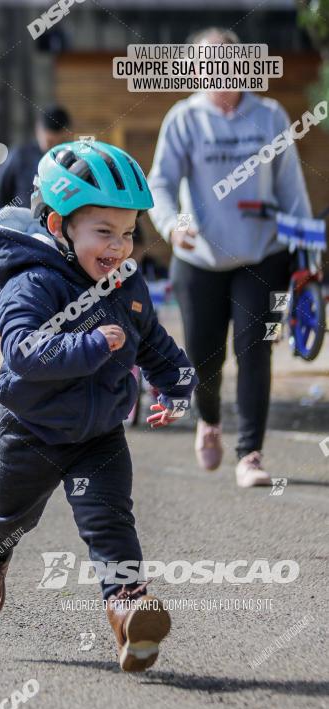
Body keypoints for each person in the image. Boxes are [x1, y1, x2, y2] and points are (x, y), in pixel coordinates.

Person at [0, 140, 198, 673]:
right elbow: (23, 353)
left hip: (99, 436)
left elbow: (155, 343)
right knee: (8, 518)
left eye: (128, 232)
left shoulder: (126, 285)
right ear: (58, 227)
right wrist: (92, 346)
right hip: (32, 431)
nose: (118, 247)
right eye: (103, 232)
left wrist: (179, 384)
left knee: (112, 522)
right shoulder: (31, 284)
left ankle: (129, 613)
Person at [148, 27, 312, 488]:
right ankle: (210, 419)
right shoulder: (184, 119)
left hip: (264, 254)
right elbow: (159, 182)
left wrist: (307, 251)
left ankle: (251, 455)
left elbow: (290, 186)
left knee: (255, 351)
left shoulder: (270, 115)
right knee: (203, 358)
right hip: (198, 259)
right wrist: (171, 223)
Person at [0, 105, 72, 216]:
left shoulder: (71, 162)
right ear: (38, 130)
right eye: (49, 141)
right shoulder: (20, 156)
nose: (52, 147)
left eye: (58, 142)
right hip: (21, 227)